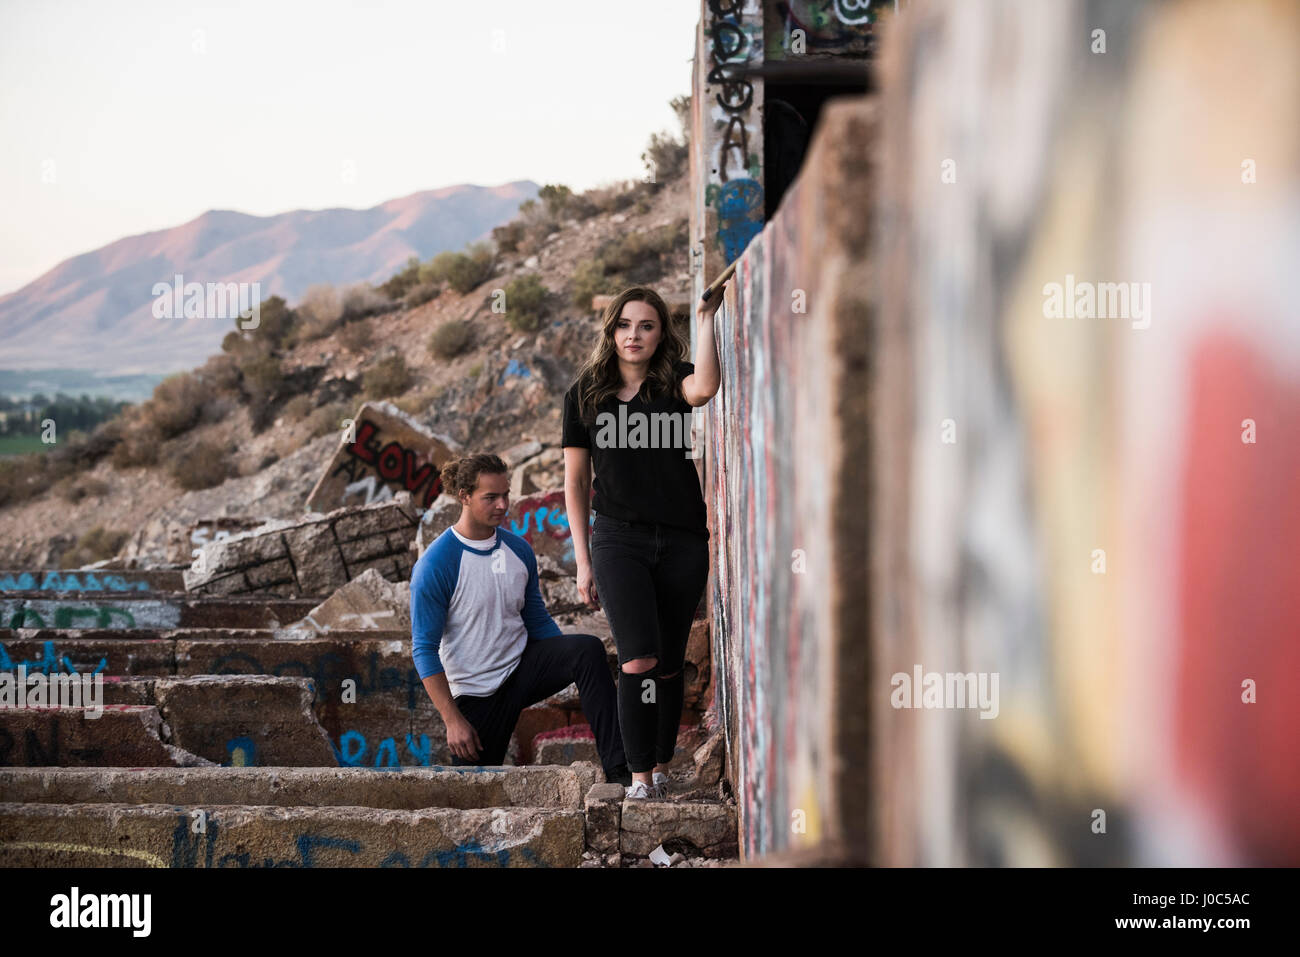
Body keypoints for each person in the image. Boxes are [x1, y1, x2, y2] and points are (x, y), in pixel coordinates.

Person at [562, 283, 725, 799]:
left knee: (670, 662)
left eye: (647, 326)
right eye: (625, 325)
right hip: (617, 541)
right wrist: (583, 562)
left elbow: (705, 390)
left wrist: (705, 318)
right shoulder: (585, 394)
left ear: (660, 334)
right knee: (638, 659)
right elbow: (574, 481)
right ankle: (637, 779)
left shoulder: (674, 382)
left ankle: (659, 762)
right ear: (611, 331)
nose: (634, 336)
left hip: (681, 541)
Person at [410, 452, 630, 785]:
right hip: (475, 694)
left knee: (586, 651)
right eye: (490, 497)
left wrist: (561, 659)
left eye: (505, 494)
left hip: (520, 669)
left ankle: (621, 775)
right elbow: (424, 649)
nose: (502, 504)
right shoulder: (436, 564)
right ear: (464, 497)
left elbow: (536, 618)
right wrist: (452, 720)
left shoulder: (518, 551)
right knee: (475, 796)